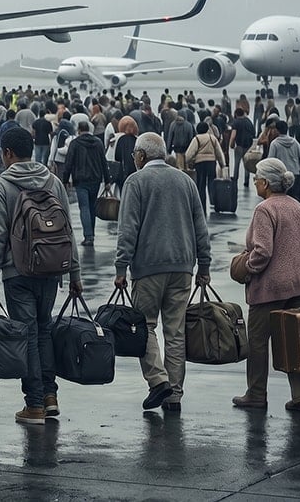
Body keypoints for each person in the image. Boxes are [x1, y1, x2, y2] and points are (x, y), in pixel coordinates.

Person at [0, 126, 81, 425]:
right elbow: (68, 230)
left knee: (26, 334)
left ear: (8, 153)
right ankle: (50, 396)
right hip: (51, 269)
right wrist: (75, 272)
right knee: (44, 330)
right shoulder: (53, 182)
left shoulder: (2, 186)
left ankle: (35, 404)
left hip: (17, 273)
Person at [115, 132, 211, 413]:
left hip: (148, 267)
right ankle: (174, 395)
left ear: (141, 156)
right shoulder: (185, 180)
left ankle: (158, 381)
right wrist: (203, 265)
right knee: (175, 331)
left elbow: (128, 229)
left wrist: (121, 266)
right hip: (182, 267)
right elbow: (200, 227)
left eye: (135, 155)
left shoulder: (136, 181)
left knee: (145, 326)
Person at [232, 158, 300, 412]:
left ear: (266, 183)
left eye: (257, 179)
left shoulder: (265, 209)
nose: (256, 182)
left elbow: (263, 251)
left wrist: (246, 268)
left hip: (270, 288)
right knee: (294, 341)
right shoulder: (296, 206)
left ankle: (256, 394)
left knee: (258, 343)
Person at [60, 121, 108, 246]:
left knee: (84, 207)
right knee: (92, 207)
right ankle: (91, 233)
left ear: (79, 130)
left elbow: (68, 163)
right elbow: (104, 161)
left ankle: (88, 236)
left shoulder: (75, 144)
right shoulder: (98, 142)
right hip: (96, 178)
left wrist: (65, 180)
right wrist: (107, 180)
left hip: (80, 179)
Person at [185, 121, 227, 212]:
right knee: (212, 184)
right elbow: (219, 152)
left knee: (201, 185)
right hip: (211, 162)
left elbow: (189, 153)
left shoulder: (197, 139)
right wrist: (222, 164)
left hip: (200, 164)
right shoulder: (212, 138)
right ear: (207, 129)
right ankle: (216, 204)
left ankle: (202, 207)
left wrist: (188, 161)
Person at [229, 108, 256, 187]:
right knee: (246, 163)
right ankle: (246, 180)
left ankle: (235, 179)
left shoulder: (236, 122)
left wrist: (231, 144)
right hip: (248, 146)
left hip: (239, 146)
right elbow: (253, 132)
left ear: (236, 114)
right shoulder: (248, 121)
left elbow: (233, 135)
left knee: (237, 163)